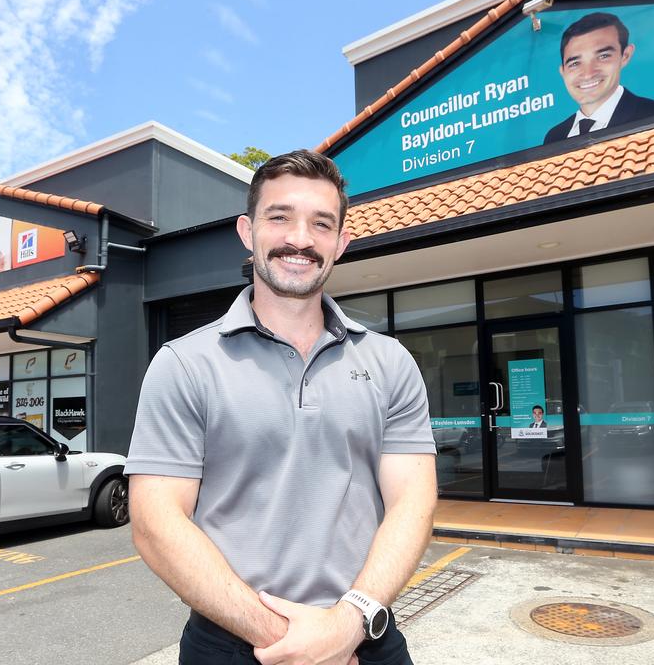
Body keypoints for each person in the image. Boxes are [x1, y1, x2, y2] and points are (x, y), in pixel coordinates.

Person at [126, 150, 438, 665]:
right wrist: (285, 639)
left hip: (366, 634)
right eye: (280, 217)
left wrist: (347, 624)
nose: (300, 239)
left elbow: (413, 503)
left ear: (341, 243)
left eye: (321, 223)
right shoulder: (183, 363)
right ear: (248, 232)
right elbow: (156, 523)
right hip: (230, 640)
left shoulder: (390, 362)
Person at [543, 12, 654, 144]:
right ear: (563, 71)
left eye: (603, 56)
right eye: (575, 63)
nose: (588, 74)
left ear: (625, 56)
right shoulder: (555, 137)